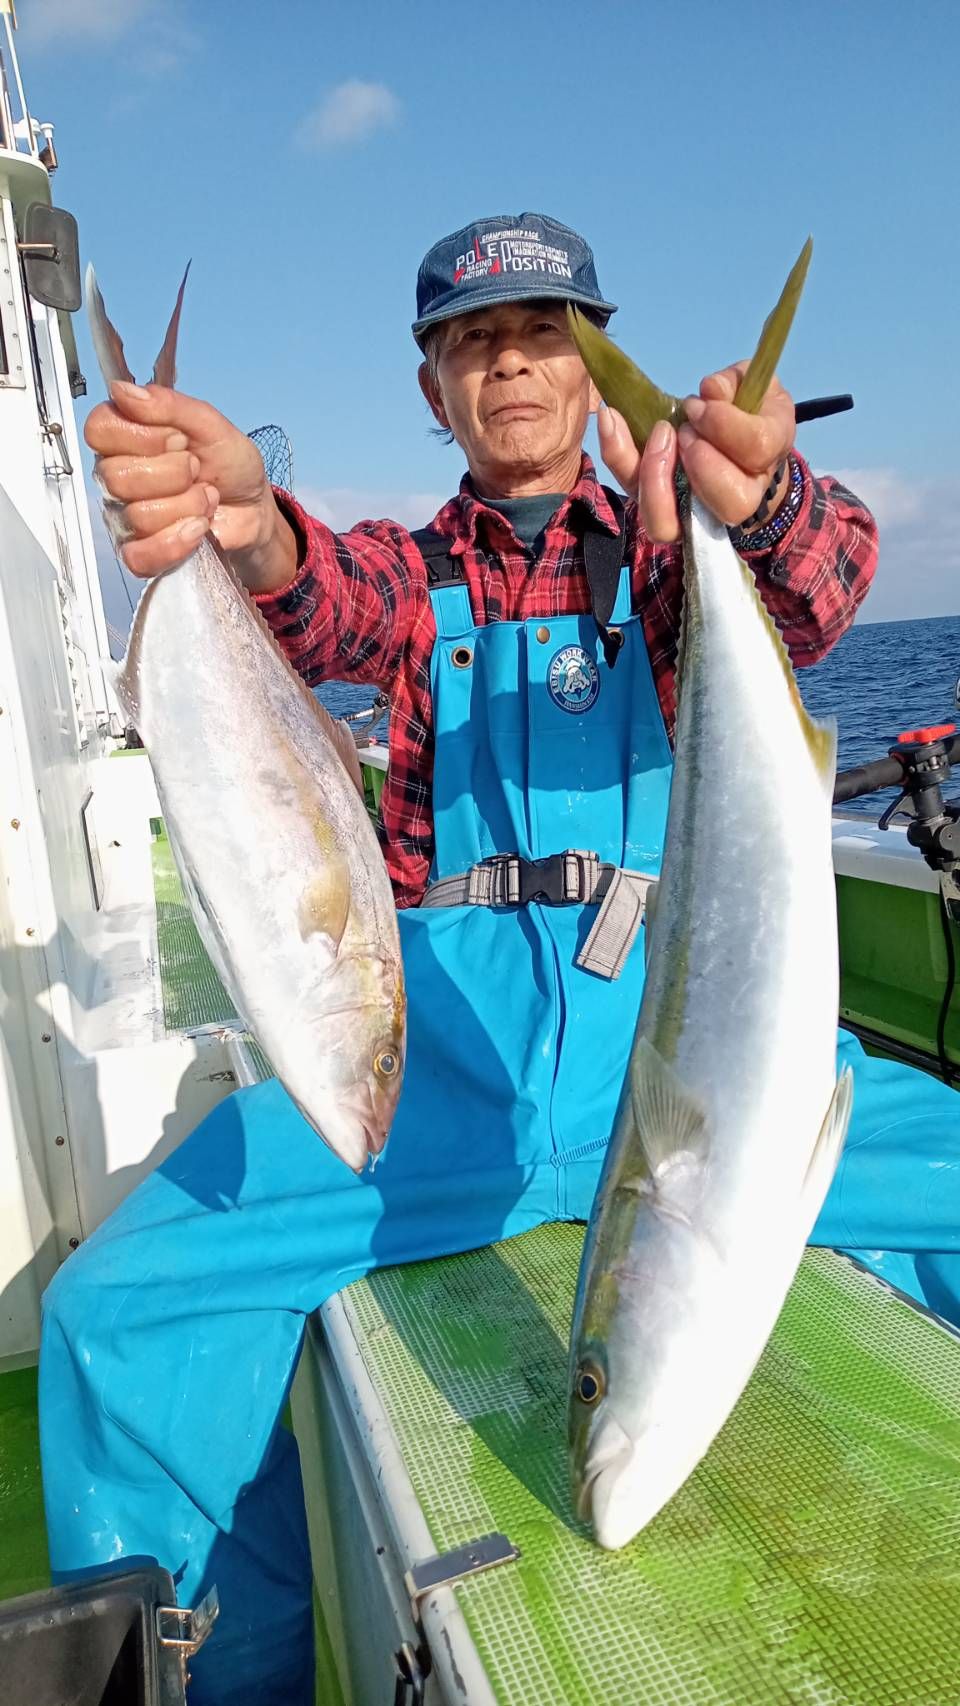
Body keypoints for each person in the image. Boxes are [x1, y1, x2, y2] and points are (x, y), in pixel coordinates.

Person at [40, 214, 960, 1705]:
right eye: (474, 341)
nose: (511, 363)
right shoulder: (413, 577)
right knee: (112, 1314)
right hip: (436, 1084)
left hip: (685, 1057)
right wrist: (243, 518)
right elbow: (313, 590)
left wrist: (762, 494)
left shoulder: (664, 558)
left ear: (591, 367)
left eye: (544, 332)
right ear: (435, 389)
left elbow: (820, 590)